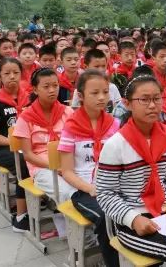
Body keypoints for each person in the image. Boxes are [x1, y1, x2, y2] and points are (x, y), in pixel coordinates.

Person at [96, 75, 166, 264]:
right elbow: (105, 194)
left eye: (157, 98)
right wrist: (133, 219)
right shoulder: (116, 145)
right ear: (127, 104)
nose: (152, 105)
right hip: (130, 219)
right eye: (144, 99)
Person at [58, 70, 120, 267]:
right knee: (106, 216)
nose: (102, 97)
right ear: (81, 96)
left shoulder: (114, 124)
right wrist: (90, 188)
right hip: (82, 190)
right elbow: (66, 171)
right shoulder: (71, 126)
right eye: (95, 93)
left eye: (105, 91)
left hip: (111, 184)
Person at [14, 68, 75, 202]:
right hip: (42, 167)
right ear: (35, 90)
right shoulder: (25, 118)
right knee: (67, 193)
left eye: (55, 85)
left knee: (89, 185)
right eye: (46, 87)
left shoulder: (68, 112)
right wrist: (54, 166)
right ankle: (66, 220)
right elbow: (28, 155)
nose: (52, 90)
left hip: (69, 161)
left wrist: (66, 166)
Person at [0, 58, 30, 231]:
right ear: (0, 76)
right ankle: (21, 217)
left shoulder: (29, 98)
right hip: (4, 149)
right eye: (7, 73)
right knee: (23, 164)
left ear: (21, 74)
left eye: (16, 73)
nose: (12, 76)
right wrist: (14, 142)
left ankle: (43, 200)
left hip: (27, 145)